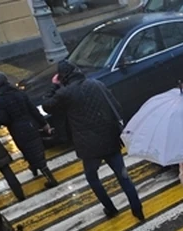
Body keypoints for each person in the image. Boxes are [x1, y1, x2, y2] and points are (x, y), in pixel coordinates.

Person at [42, 61, 143, 221]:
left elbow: (47, 105)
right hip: (109, 139)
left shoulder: (66, 93)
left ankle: (110, 208)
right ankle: (137, 209)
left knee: (92, 177)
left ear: (62, 77)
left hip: (88, 146)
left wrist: (55, 85)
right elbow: (115, 106)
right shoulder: (96, 84)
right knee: (123, 176)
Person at [0, 71, 57, 188]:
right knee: (36, 150)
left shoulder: (0, 100)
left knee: (28, 151)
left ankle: (49, 177)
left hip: (17, 130)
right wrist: (44, 124)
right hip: (31, 125)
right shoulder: (20, 93)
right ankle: (38, 169)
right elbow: (33, 110)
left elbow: (4, 119)